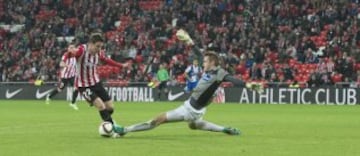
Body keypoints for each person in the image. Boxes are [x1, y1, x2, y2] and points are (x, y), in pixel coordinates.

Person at [116, 51, 263, 137]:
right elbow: (199, 52)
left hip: (190, 110)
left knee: (156, 121)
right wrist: (189, 41)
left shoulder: (219, 73)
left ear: (212, 62)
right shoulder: (210, 70)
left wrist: (249, 85)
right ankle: (225, 129)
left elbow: (233, 80)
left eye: (205, 61)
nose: (202, 63)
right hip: (197, 109)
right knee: (194, 126)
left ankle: (125, 130)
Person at [68, 33, 128, 133]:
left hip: (96, 83)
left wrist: (121, 65)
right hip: (83, 86)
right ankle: (113, 129)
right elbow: (71, 54)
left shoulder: (99, 53)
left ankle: (106, 123)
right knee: (100, 105)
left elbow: (107, 60)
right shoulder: (82, 50)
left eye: (101, 47)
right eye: (97, 46)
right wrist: (70, 51)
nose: (99, 49)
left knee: (110, 107)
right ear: (90, 44)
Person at [46, 44, 79, 110]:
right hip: (65, 76)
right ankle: (49, 96)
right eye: (70, 48)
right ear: (68, 49)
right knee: (60, 89)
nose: (72, 49)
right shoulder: (66, 54)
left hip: (72, 75)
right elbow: (61, 63)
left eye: (73, 48)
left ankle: (73, 103)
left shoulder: (76, 54)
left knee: (76, 88)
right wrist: (66, 65)